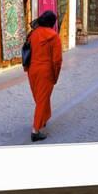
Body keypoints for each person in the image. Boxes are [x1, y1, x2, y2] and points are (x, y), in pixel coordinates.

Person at [24, 10, 63, 142]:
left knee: (39, 98)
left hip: (32, 70)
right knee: (42, 100)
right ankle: (35, 131)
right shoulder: (54, 36)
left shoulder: (33, 33)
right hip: (45, 72)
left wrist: (26, 68)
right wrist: (55, 76)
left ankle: (43, 119)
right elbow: (57, 60)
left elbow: (27, 51)